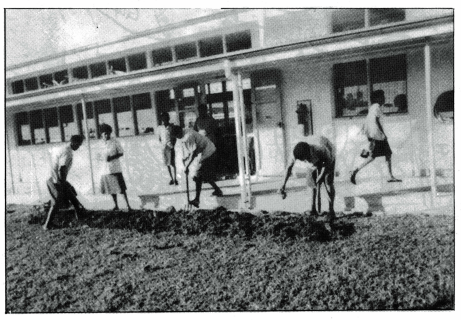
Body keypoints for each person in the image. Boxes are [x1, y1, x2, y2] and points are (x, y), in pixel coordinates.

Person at [278, 135, 336, 221]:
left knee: (328, 182)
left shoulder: (321, 149)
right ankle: (313, 209)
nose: (306, 161)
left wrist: (321, 175)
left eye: (306, 159)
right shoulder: (296, 153)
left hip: (328, 156)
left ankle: (331, 211)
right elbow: (289, 168)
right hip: (314, 161)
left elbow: (327, 162)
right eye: (303, 160)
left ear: (309, 153)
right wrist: (283, 185)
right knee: (311, 182)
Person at [350, 90, 402, 184]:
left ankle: (355, 170)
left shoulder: (372, 108)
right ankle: (390, 176)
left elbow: (368, 121)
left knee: (377, 156)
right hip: (378, 136)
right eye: (382, 96)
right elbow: (376, 121)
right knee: (384, 155)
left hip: (374, 135)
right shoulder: (376, 107)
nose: (384, 98)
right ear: (378, 98)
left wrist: (369, 135)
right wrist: (382, 134)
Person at [171, 125, 223, 208]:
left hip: (208, 151)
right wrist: (185, 160)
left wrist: (187, 166)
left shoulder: (188, 136)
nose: (177, 137)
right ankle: (217, 190)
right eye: (176, 136)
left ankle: (197, 200)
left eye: (177, 135)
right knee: (203, 175)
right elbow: (188, 149)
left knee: (198, 176)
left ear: (180, 131)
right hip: (202, 152)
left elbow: (195, 152)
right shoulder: (183, 134)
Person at [43, 135, 86, 230]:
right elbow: (62, 169)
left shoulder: (63, 149)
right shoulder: (68, 152)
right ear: (73, 143)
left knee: (74, 199)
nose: (78, 147)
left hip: (57, 179)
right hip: (55, 179)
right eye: (78, 145)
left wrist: (65, 183)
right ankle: (47, 225)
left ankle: (81, 221)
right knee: (56, 203)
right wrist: (63, 184)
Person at [98, 124, 132, 211]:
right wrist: (102, 158)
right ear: (101, 134)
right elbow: (98, 156)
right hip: (105, 169)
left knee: (121, 188)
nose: (106, 135)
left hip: (115, 168)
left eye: (108, 133)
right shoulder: (100, 144)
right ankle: (116, 205)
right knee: (111, 189)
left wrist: (112, 157)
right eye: (104, 134)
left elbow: (121, 152)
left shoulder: (115, 141)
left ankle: (128, 205)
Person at [158, 112, 178, 185]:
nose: (165, 120)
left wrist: (172, 144)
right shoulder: (160, 128)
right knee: (167, 164)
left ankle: (175, 178)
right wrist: (163, 145)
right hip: (164, 148)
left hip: (170, 147)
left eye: (166, 118)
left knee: (173, 163)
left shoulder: (171, 127)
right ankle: (171, 179)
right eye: (163, 118)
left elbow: (174, 138)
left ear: (168, 118)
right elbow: (160, 138)